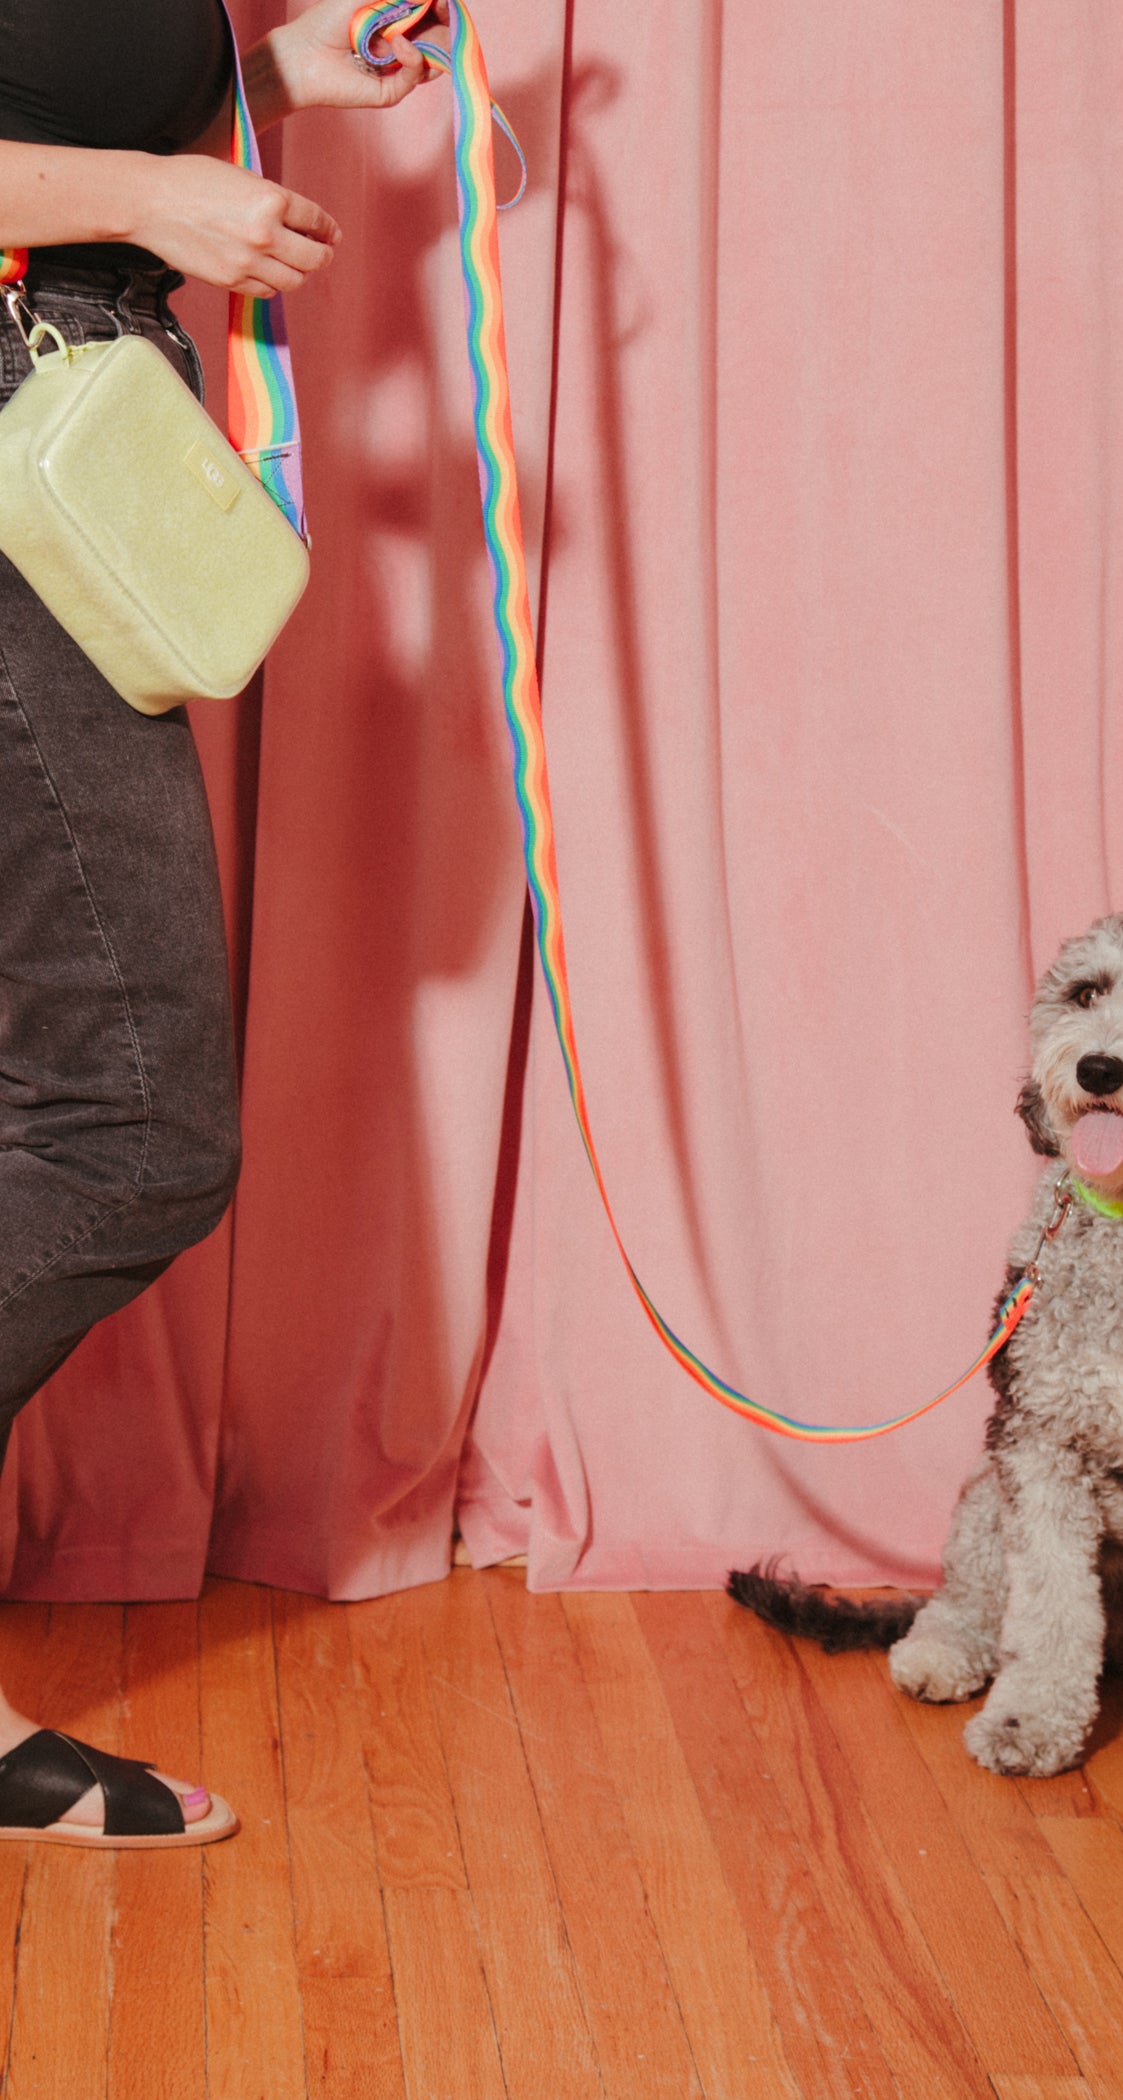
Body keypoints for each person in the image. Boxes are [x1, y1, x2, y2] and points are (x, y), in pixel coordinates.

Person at [0, 0, 446, 1847]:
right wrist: (152, 194)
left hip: (68, 433)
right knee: (131, 1120)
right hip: (25, 428)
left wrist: (269, 86)